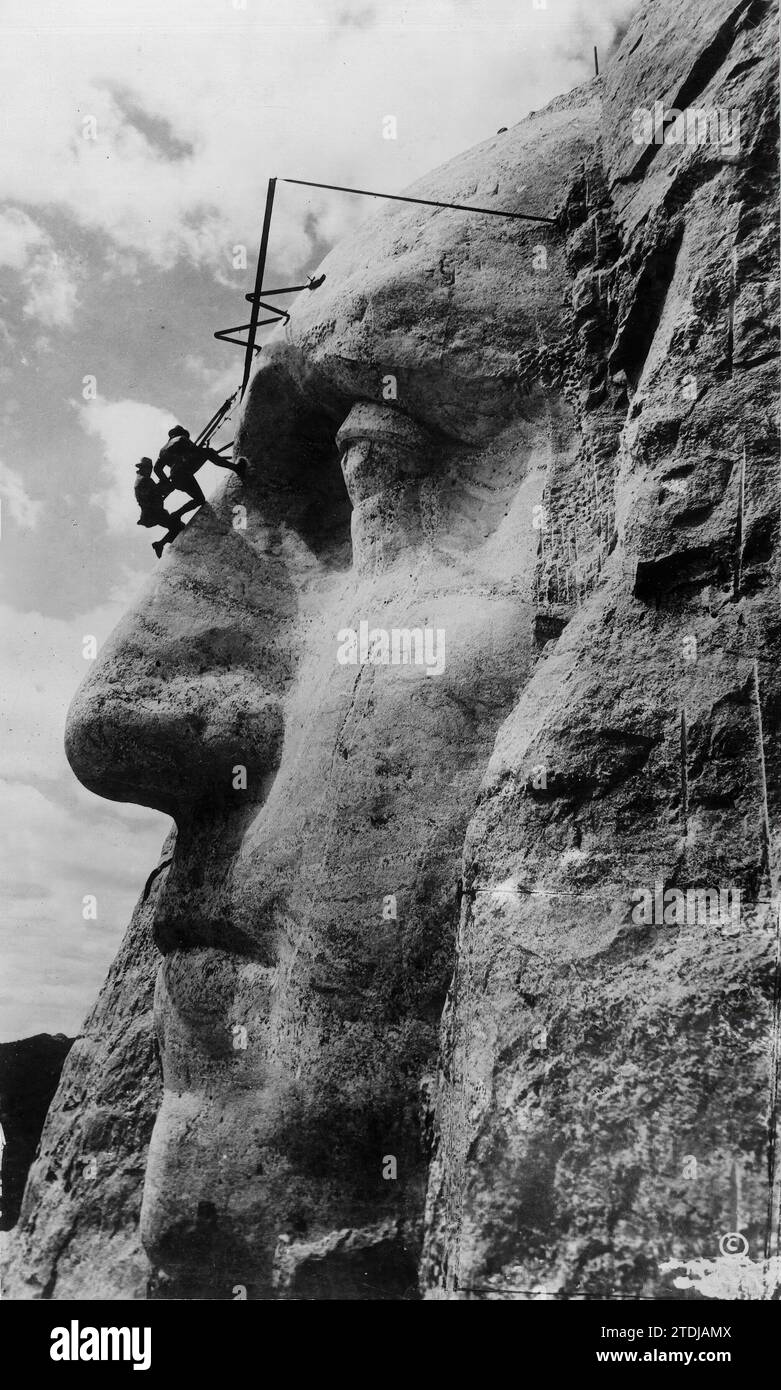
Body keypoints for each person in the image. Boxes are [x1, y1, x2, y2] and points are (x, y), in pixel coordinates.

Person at [154, 425, 247, 513]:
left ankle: (176, 515)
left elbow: (157, 469)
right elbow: (195, 451)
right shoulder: (181, 438)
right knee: (209, 452)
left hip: (176, 478)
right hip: (185, 469)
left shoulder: (162, 451)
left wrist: (166, 481)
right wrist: (208, 452)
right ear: (180, 433)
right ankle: (237, 468)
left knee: (199, 500)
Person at [133, 458, 189, 558]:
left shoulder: (140, 480)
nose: (150, 471)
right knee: (178, 527)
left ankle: (160, 544)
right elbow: (157, 494)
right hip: (154, 514)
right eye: (149, 469)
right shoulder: (145, 480)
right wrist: (166, 487)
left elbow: (153, 493)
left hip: (152, 514)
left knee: (176, 527)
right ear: (144, 468)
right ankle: (160, 545)